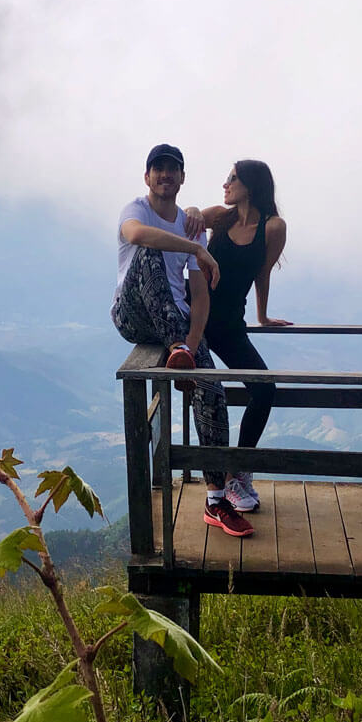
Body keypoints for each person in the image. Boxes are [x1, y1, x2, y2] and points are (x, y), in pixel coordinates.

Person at [112, 143, 254, 538]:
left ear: (182, 178)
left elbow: (200, 294)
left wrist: (192, 346)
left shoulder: (191, 223)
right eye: (157, 168)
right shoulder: (136, 210)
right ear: (147, 177)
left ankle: (216, 500)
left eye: (172, 169)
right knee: (149, 249)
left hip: (177, 326)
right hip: (134, 315)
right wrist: (194, 247)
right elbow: (137, 235)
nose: (164, 175)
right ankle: (178, 349)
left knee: (213, 392)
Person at [187, 159, 289, 514]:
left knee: (264, 388)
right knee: (209, 396)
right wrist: (194, 209)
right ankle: (218, 487)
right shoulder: (223, 217)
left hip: (229, 323)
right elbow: (192, 215)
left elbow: (263, 273)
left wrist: (262, 316)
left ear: (251, 184)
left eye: (232, 178)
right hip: (196, 320)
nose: (226, 184)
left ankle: (237, 472)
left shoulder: (272, 227)